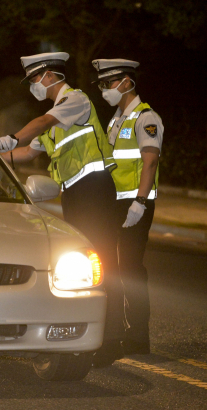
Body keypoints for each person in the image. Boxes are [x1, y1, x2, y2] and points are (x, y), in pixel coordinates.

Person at [0, 52, 124, 366]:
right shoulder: (55, 120)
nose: (33, 85)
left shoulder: (75, 101)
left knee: (103, 265)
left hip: (95, 190)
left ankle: (112, 341)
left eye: (34, 78)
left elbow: (39, 125)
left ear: (50, 75)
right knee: (84, 266)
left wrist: (9, 138)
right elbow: (25, 153)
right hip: (74, 194)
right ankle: (90, 337)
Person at [92, 59, 163, 356]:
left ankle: (137, 338)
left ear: (126, 82)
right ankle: (117, 333)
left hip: (135, 202)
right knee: (112, 268)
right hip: (115, 202)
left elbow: (150, 161)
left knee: (131, 269)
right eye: (101, 85)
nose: (105, 90)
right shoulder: (118, 118)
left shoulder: (147, 117)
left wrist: (140, 202)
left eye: (108, 84)